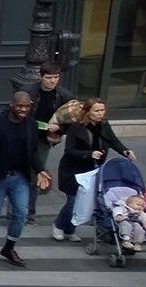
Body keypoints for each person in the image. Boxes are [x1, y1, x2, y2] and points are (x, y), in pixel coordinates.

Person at [0, 90, 49, 266]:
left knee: (21, 213)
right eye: (19, 106)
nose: (23, 109)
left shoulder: (31, 124)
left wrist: (40, 169)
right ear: (11, 105)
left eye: (26, 106)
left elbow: (33, 151)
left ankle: (9, 247)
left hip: (20, 176)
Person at [52, 98, 126, 240]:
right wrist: (89, 154)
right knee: (73, 200)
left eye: (102, 110)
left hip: (93, 169)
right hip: (73, 169)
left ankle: (70, 230)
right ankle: (59, 225)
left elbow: (113, 140)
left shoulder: (104, 125)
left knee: (83, 201)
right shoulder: (76, 127)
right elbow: (69, 150)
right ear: (87, 111)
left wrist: (125, 151)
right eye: (97, 110)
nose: (100, 114)